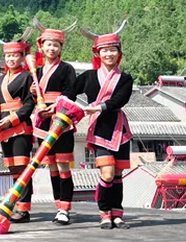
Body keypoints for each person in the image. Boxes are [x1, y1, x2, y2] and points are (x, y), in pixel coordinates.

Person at [76, 21, 133, 230]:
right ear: (98, 53)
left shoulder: (125, 79)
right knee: (107, 174)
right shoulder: (89, 77)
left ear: (119, 53)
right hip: (99, 129)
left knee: (118, 175)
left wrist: (97, 108)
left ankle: (117, 214)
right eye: (105, 50)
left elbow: (120, 100)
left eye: (112, 50)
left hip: (119, 130)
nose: (109, 54)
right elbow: (69, 92)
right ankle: (104, 212)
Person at [30, 17, 78, 226]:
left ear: (61, 48)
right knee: (51, 167)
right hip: (42, 120)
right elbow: (33, 96)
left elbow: (71, 92)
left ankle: (65, 208)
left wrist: (56, 105)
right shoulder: (37, 71)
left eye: (56, 45)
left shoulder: (67, 68)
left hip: (60, 119)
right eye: (48, 44)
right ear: (41, 46)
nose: (52, 48)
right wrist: (34, 94)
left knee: (63, 165)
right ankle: (58, 205)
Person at [0, 29, 36, 223]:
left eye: (15, 55)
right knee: (13, 170)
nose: (11, 59)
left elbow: (29, 103)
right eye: (8, 55)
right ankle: (15, 204)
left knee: (22, 168)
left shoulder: (27, 77)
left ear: (22, 56)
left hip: (20, 126)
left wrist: (12, 118)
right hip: (4, 128)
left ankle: (24, 209)